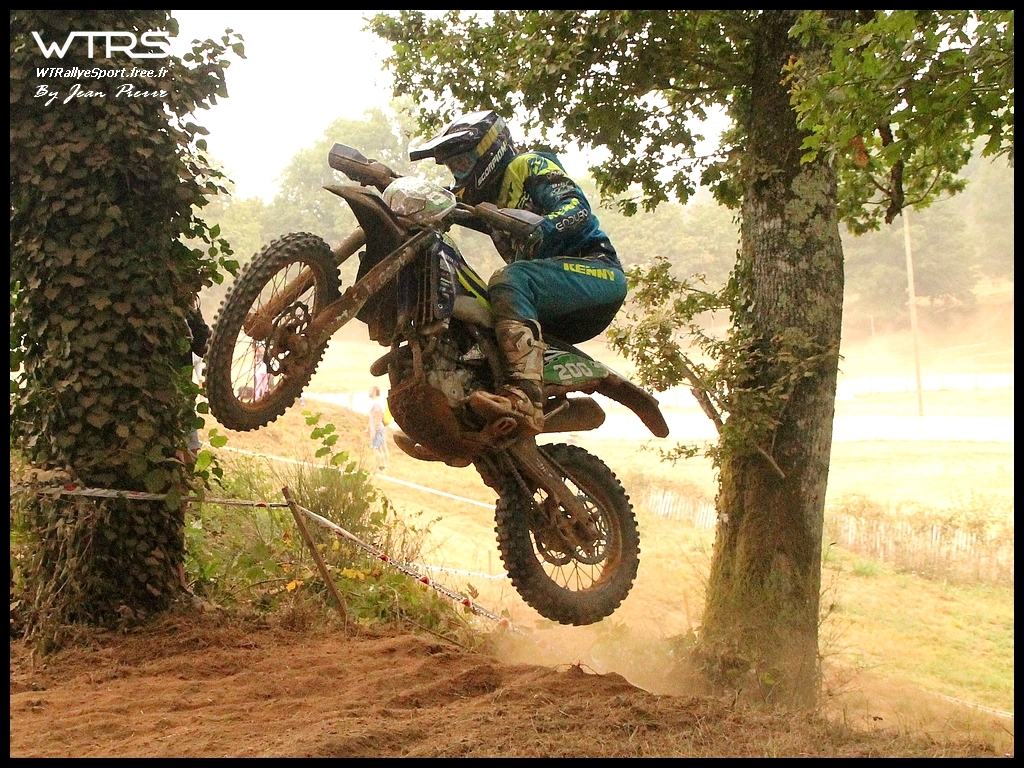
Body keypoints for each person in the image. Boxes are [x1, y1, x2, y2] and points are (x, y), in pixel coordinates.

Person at [410, 110, 627, 435]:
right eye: (454, 169)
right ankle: (466, 406)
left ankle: (525, 397)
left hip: (596, 273)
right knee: (474, 309)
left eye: (463, 164)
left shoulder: (527, 165)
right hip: (546, 299)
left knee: (508, 279)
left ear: (489, 152)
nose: (459, 175)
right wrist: (388, 182)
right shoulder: (482, 198)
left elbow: (578, 208)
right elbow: (439, 200)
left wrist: (543, 226)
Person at [183, 296, 210, 464]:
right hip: (172, 388)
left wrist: (193, 311)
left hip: (183, 391)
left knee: (190, 451)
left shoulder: (186, 315)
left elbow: (202, 345)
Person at [367, 385, 389, 471]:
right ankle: (385, 464)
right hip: (379, 428)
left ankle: (380, 465)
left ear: (374, 392)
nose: (369, 392)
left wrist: (373, 430)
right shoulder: (378, 402)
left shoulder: (376, 404)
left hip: (377, 428)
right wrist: (368, 427)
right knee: (382, 447)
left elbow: (377, 417)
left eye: (370, 390)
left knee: (376, 448)